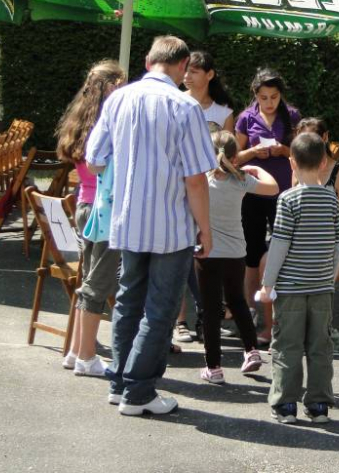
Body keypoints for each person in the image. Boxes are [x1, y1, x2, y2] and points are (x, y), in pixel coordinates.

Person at [86, 35, 217, 416]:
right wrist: (206, 228)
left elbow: (94, 159)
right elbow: (196, 179)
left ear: (147, 61)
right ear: (183, 66)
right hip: (170, 224)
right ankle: (138, 391)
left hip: (127, 220)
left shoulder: (119, 99)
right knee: (160, 309)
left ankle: (120, 384)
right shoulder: (185, 106)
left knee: (129, 302)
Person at [258, 132, 339, 424]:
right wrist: (330, 276)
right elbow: (337, 244)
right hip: (322, 287)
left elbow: (279, 245)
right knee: (320, 347)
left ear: (292, 162)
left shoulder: (288, 199)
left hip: (290, 288)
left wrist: (268, 283)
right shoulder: (332, 199)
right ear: (323, 163)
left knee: (287, 346)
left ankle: (285, 405)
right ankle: (319, 404)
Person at [56, 60, 125, 376]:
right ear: (110, 86)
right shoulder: (107, 123)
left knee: (88, 281)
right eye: (120, 85)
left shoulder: (81, 120)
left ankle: (75, 351)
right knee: (98, 284)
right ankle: (86, 357)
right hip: (104, 210)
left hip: (85, 206)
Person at [197, 130, 278, 384]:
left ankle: (214, 367)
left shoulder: (201, 180)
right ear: (235, 157)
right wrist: (257, 168)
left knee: (211, 308)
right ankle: (251, 350)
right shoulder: (241, 179)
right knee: (237, 301)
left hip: (207, 252)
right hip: (235, 252)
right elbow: (273, 187)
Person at [236, 68, 301, 343]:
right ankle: (250, 310)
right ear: (255, 95)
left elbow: (301, 152)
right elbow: (235, 157)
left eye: (274, 97)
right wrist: (254, 151)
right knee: (252, 252)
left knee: (281, 250)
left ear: (280, 95)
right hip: (253, 192)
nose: (269, 102)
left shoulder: (292, 116)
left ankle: (278, 315)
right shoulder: (245, 117)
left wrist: (282, 150)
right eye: (264, 97)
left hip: (283, 192)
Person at [177, 50, 236, 342]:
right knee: (179, 253)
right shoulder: (175, 102)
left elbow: (228, 155)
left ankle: (207, 314)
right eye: (185, 70)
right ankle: (179, 320)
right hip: (179, 188)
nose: (187, 75)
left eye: (194, 71)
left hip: (210, 191)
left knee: (206, 254)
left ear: (210, 75)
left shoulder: (223, 113)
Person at [296, 117, 339, 351]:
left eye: (313, 138)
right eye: (303, 138)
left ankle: (322, 330)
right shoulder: (297, 170)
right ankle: (294, 328)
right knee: (270, 260)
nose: (308, 144)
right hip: (301, 244)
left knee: (305, 270)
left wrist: (314, 239)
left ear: (325, 137)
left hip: (331, 246)